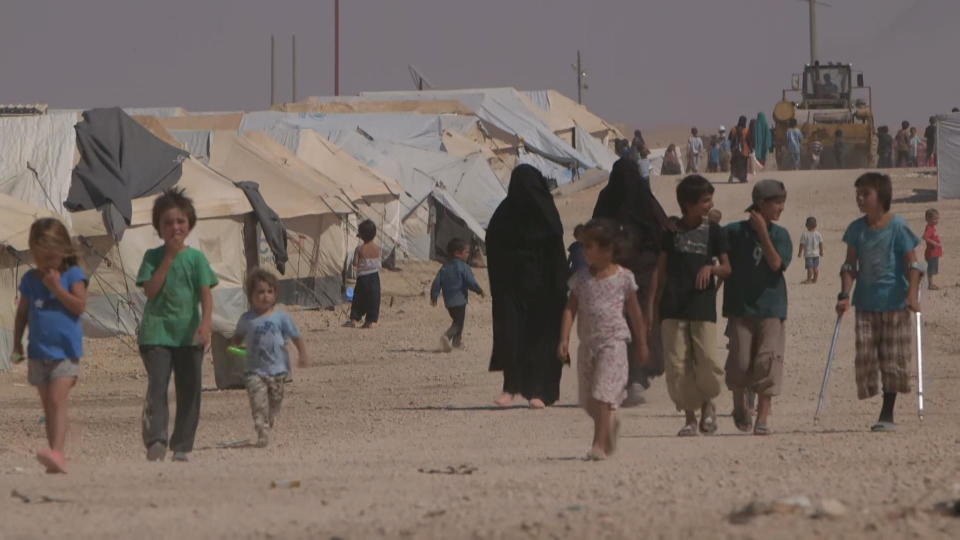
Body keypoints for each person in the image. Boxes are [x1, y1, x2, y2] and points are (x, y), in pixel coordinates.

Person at [137, 187, 218, 462]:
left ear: (190, 224)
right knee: (158, 386)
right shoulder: (152, 257)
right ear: (159, 227)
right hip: (156, 334)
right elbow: (151, 291)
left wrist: (206, 325)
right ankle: (156, 440)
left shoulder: (196, 259)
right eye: (168, 222)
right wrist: (168, 258)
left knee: (190, 389)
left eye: (180, 221)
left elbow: (206, 295)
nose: (175, 227)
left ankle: (182, 443)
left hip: (188, 336)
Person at [837, 172, 922, 432]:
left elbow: (914, 264)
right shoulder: (856, 229)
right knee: (865, 358)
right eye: (858, 194)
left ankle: (887, 413)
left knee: (892, 358)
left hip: (895, 303)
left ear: (881, 197)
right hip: (865, 302)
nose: (860, 199)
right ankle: (877, 394)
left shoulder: (898, 226)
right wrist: (844, 295)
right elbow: (850, 265)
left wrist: (912, 295)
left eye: (866, 194)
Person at [558, 219, 648, 460]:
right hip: (588, 345)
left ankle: (598, 444)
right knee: (589, 401)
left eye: (590, 246)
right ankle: (610, 423)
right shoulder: (581, 279)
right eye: (584, 246)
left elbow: (635, 313)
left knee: (603, 392)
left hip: (614, 343)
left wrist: (642, 343)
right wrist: (564, 339)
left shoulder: (623, 278)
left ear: (608, 250)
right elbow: (570, 309)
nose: (585, 252)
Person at [655, 175, 731, 436]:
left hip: (702, 304)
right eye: (705, 201)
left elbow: (727, 268)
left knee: (707, 359)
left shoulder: (714, 231)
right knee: (677, 365)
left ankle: (709, 404)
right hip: (672, 306)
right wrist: (652, 307)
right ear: (687, 204)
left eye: (710, 200)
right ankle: (689, 418)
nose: (710, 205)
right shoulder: (670, 231)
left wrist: (711, 267)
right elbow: (660, 272)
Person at [593, 157, 673, 406]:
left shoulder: (610, 200)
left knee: (637, 323)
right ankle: (625, 379)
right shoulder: (645, 202)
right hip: (620, 274)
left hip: (639, 275)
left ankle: (637, 377)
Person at [487, 164, 568, 408]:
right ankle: (510, 387)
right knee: (512, 336)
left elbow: (557, 253)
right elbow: (493, 247)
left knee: (541, 339)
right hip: (512, 289)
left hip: (545, 289)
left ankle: (542, 391)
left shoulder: (547, 215)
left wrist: (560, 289)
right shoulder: (504, 215)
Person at [11, 218, 87, 473]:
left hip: (65, 352)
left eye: (50, 256)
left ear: (63, 250)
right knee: (48, 404)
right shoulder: (31, 280)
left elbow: (79, 306)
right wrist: (16, 344)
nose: (45, 262)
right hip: (38, 352)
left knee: (57, 400)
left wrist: (56, 287)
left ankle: (57, 453)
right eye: (40, 256)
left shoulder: (73, 275)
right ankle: (56, 453)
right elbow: (22, 313)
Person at [723, 179, 792, 435]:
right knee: (740, 363)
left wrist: (763, 232)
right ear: (761, 204)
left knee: (767, 361)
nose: (781, 208)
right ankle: (739, 405)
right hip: (740, 308)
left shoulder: (780, 235)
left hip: (772, 308)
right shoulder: (734, 232)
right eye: (777, 203)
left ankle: (762, 417)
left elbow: (775, 264)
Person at [231, 269, 308, 447]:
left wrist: (302, 354)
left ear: (275, 294)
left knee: (275, 400)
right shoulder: (246, 319)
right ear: (250, 295)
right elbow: (237, 337)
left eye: (269, 291)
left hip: (278, 369)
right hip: (254, 370)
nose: (265, 296)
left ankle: (271, 416)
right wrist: (234, 345)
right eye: (260, 292)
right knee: (257, 401)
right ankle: (261, 428)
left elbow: (296, 336)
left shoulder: (280, 317)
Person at [431, 238, 485, 351]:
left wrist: (434, 296)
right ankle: (447, 336)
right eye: (466, 252)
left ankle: (456, 343)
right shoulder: (464, 267)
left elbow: (436, 282)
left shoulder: (444, 267)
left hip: (449, 302)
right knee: (458, 322)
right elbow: (470, 281)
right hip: (460, 301)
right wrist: (479, 290)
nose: (468, 254)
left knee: (457, 320)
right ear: (458, 253)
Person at [345, 219, 381, 329]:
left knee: (358, 298)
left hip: (363, 278)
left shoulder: (359, 249)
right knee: (373, 299)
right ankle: (369, 321)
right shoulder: (377, 248)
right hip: (375, 277)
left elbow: (355, 264)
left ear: (361, 235)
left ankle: (354, 320)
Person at [799, 216, 824, 284]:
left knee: (809, 268)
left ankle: (809, 279)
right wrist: (821, 251)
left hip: (808, 254)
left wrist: (800, 252)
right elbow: (821, 243)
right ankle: (815, 279)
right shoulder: (818, 234)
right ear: (816, 225)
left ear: (806, 225)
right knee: (815, 267)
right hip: (816, 254)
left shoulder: (804, 234)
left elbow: (802, 244)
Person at [923, 208, 942, 291]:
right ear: (928, 219)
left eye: (937, 218)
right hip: (931, 253)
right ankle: (930, 285)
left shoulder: (932, 227)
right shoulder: (930, 228)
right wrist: (933, 243)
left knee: (932, 268)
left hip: (934, 252)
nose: (936, 221)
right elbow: (924, 237)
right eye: (934, 219)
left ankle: (930, 283)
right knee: (931, 269)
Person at [728, 117, 751, 183]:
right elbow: (749, 141)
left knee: (734, 164)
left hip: (734, 150)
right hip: (744, 151)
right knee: (743, 165)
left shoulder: (733, 129)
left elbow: (729, 139)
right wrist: (750, 149)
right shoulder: (746, 130)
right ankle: (743, 179)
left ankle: (731, 176)